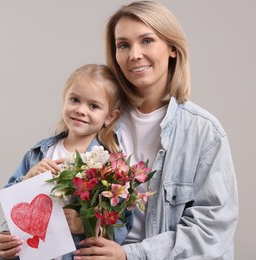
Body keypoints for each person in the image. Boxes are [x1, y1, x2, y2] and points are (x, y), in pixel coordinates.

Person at [71, 1, 238, 260]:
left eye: (147, 41)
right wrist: (11, 235)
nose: (134, 54)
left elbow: (210, 232)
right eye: (123, 45)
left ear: (172, 48)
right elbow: (52, 180)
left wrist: (131, 255)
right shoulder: (99, 117)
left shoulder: (205, 133)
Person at [0, 64, 132, 260]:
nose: (81, 110)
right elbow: (12, 205)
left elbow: (122, 222)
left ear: (110, 116)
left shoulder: (109, 167)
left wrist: (85, 224)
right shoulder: (39, 153)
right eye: (74, 100)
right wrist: (28, 179)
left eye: (93, 106)